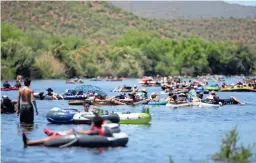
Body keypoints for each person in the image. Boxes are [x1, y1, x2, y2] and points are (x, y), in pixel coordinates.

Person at [22, 116, 111, 147]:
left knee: (50, 139)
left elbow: (88, 133)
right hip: (80, 139)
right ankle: (53, 133)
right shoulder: (100, 130)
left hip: (77, 138)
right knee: (52, 138)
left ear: (94, 123)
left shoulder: (95, 130)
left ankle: (30, 142)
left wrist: (76, 131)